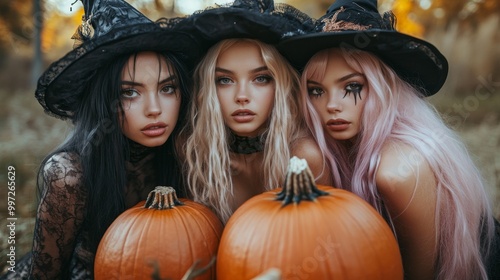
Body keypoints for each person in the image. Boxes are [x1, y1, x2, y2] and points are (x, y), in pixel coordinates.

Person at [278, 0, 500, 279]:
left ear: (383, 88)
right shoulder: (326, 150)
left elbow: (421, 275)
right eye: (316, 91)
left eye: (352, 86)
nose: (332, 105)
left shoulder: (397, 170)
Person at [0, 0, 201, 279]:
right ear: (103, 101)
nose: (154, 109)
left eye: (167, 88)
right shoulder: (68, 175)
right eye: (130, 92)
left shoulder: (190, 155)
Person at [176, 0, 332, 223]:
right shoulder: (193, 150)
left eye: (261, 78)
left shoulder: (303, 157)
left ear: (281, 85)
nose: (242, 95)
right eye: (225, 80)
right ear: (207, 89)